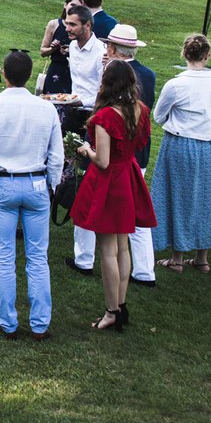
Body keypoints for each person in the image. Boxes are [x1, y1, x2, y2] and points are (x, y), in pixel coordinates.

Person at [0, 50, 64, 339]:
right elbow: (56, 155)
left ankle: (7, 322)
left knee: (4, 256)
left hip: (3, 184)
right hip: (36, 183)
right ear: (29, 75)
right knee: (38, 257)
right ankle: (40, 324)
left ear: (4, 75)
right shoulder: (46, 109)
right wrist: (52, 184)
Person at [71, 59, 157, 331]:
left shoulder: (106, 117)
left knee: (108, 250)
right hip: (128, 177)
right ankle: (121, 305)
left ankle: (111, 311)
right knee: (123, 247)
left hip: (110, 182)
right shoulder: (140, 109)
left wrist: (86, 149)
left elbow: (103, 161)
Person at [150, 33, 211, 274]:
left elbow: (159, 116)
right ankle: (202, 257)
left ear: (184, 53)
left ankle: (177, 257)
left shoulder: (176, 84)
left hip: (181, 143)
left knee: (178, 196)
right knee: (205, 197)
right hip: (208, 145)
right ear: (207, 55)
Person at [37, 0, 82, 95]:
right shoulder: (54, 24)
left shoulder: (81, 28)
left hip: (73, 74)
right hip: (55, 71)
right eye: (72, 5)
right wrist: (52, 48)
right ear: (65, 5)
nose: (74, 9)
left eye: (78, 7)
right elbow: (42, 52)